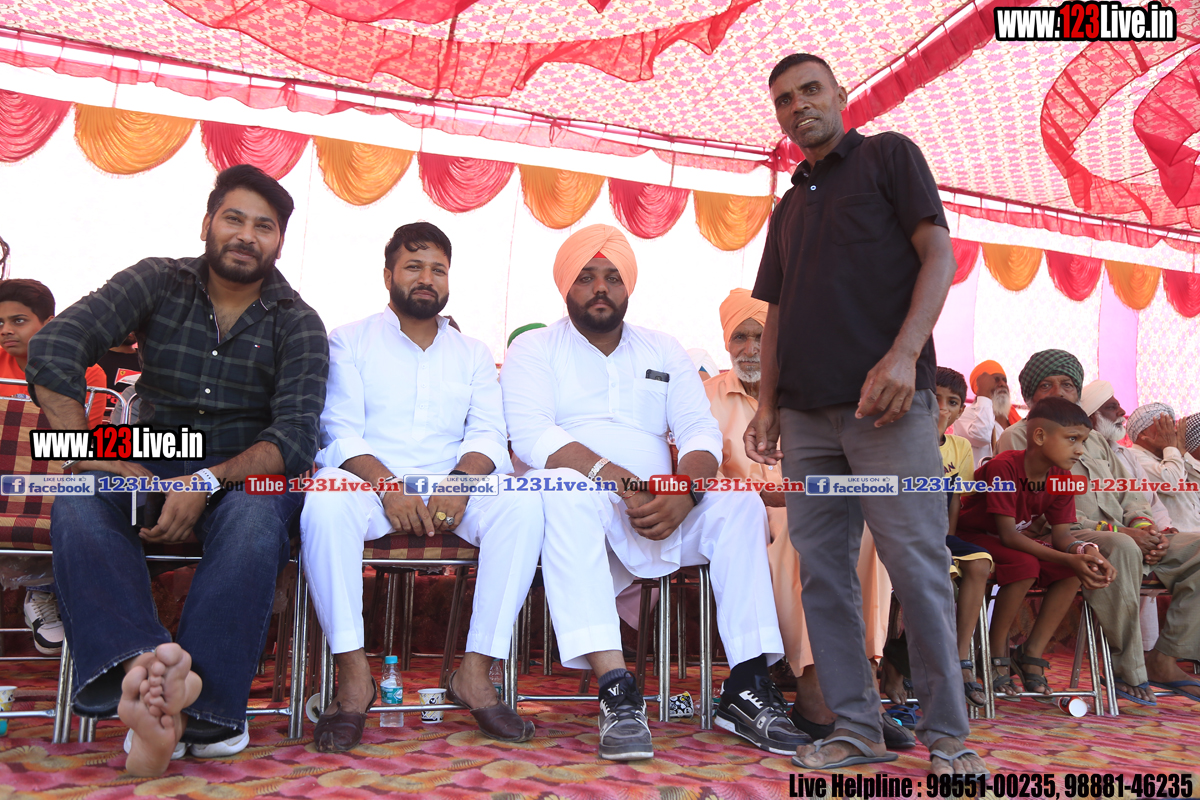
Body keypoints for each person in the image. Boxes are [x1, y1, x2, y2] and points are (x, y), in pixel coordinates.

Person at [26, 165, 329, 775]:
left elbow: (295, 435)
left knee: (255, 517)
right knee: (79, 494)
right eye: (234, 219)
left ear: (278, 242)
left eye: (264, 227)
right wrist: (84, 445)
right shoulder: (158, 279)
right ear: (207, 223)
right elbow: (56, 345)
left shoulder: (298, 321)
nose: (246, 235)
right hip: (152, 448)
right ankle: (143, 669)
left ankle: (205, 706)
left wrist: (206, 479)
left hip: (244, 467)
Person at [745, 53, 984, 774]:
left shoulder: (888, 157)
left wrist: (905, 357)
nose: (798, 106)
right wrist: (767, 403)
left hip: (887, 409)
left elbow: (939, 256)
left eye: (810, 90)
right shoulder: (788, 208)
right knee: (822, 573)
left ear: (841, 95)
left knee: (915, 565)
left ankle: (949, 737)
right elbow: (777, 314)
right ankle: (855, 728)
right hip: (806, 421)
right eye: (784, 99)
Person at [500, 224, 806, 762]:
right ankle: (616, 688)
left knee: (739, 502)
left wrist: (686, 490)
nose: (601, 288)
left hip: (665, 504)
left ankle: (747, 685)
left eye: (612, 277)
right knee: (564, 487)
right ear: (565, 285)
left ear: (629, 287)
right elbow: (531, 434)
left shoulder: (663, 348)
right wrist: (621, 482)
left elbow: (699, 431)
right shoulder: (535, 348)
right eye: (586, 277)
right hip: (582, 501)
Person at [301, 222, 540, 751]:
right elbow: (338, 430)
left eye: (438, 269)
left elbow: (487, 433)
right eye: (413, 266)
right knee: (325, 499)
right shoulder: (349, 339)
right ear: (388, 274)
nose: (426, 278)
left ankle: (475, 673)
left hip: (452, 490)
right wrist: (389, 486)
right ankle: (354, 677)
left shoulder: (472, 352)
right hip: (371, 486)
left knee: (523, 503)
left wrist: (459, 484)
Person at [702, 289, 908, 747]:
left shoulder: (802, 394)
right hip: (745, 519)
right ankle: (814, 694)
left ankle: (864, 687)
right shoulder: (707, 397)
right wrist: (763, 494)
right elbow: (701, 477)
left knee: (866, 532)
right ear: (727, 342)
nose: (750, 349)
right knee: (804, 535)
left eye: (761, 337)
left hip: (810, 507)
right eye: (740, 338)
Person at [996, 349, 1200, 705]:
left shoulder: (1092, 437)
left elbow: (1131, 493)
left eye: (1067, 385)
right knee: (1120, 547)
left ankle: (1164, 658)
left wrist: (1144, 527)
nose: (1059, 392)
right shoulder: (1020, 436)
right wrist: (1125, 534)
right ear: (1029, 396)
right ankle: (1127, 668)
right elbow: (1042, 516)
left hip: (1126, 536)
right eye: (1046, 385)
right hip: (1063, 537)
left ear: (1078, 392)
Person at [957, 398, 1116, 698]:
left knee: (1070, 571)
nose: (1080, 450)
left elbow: (1062, 536)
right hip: (973, 536)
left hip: (1010, 542)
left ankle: (1031, 653)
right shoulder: (1004, 467)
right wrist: (1070, 558)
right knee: (1025, 564)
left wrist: (1085, 552)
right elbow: (1008, 536)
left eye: (1083, 441)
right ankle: (995, 650)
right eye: (1072, 439)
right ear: (1040, 436)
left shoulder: (1062, 478)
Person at [0, 278, 109, 657]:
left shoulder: (88, 372)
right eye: (0, 323)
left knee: (83, 483)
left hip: (49, 478)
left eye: (18, 321)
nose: (6, 330)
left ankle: (42, 589)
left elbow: (78, 446)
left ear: (48, 324)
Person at [1079, 380, 1164, 652]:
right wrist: (1129, 533)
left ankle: (1166, 657)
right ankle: (1132, 663)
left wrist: (1149, 530)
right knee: (1126, 547)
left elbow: (1138, 499)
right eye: (1112, 407)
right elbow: (1069, 518)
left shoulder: (1120, 453)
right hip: (1103, 540)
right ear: (1092, 415)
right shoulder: (1064, 452)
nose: (1122, 412)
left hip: (1138, 536)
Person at [933, 367, 994, 708]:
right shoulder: (901, 441)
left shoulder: (959, 446)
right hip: (905, 533)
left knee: (980, 562)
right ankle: (916, 660)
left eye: (952, 402)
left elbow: (955, 497)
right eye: (935, 399)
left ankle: (960, 659)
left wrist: (949, 538)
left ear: (960, 411)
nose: (943, 408)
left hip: (940, 533)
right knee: (942, 570)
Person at [1129, 404, 1200, 532]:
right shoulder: (1133, 457)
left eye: (1172, 425)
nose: (1171, 432)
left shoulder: (1171, 455)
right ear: (1143, 433)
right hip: (1173, 534)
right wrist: (1170, 448)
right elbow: (1173, 484)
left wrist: (1182, 453)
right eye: (1164, 425)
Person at [956, 360, 1019, 466]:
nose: (1002, 384)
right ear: (981, 387)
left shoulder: (1014, 417)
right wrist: (984, 395)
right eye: (995, 380)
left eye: (1004, 380)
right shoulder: (964, 414)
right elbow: (982, 436)